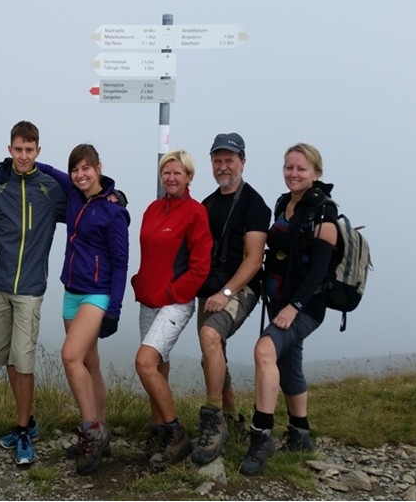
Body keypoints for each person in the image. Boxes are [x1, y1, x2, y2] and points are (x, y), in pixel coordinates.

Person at [0, 121, 67, 466]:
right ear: (9, 149)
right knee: (4, 358)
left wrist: (113, 193)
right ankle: (29, 420)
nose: (24, 155)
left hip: (29, 289)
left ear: (38, 151)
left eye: (30, 150)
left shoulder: (50, 188)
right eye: (18, 149)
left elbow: (86, 198)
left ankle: (24, 429)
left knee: (23, 361)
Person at [239, 143, 337, 476]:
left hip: (306, 306)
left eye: (301, 169)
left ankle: (261, 435)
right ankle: (300, 433)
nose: (293, 174)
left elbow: (318, 271)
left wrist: (294, 308)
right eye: (288, 167)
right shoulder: (285, 203)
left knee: (264, 351)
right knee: (288, 362)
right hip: (279, 300)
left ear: (316, 173)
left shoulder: (325, 213)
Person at [38, 144, 130, 476]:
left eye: (86, 168)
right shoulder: (74, 193)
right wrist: (32, 162)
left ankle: (91, 429)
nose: (80, 174)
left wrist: (115, 309)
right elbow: (54, 174)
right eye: (76, 168)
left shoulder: (113, 211)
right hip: (72, 292)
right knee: (89, 362)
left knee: (70, 356)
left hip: (98, 293)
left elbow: (120, 264)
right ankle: (100, 429)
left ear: (99, 168)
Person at [192, 133, 271, 465]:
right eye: (218, 160)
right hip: (210, 290)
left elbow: (254, 260)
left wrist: (225, 294)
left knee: (211, 336)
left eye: (230, 160)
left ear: (243, 162)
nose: (223, 166)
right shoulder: (207, 204)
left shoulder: (255, 204)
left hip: (241, 289)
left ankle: (213, 420)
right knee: (213, 353)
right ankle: (231, 417)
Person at [131, 150, 212, 472]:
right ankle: (160, 432)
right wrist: (140, 284)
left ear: (189, 177)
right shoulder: (152, 209)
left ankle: (176, 433)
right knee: (158, 368)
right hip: (148, 300)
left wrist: (173, 292)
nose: (172, 178)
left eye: (178, 173)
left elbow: (200, 266)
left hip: (175, 302)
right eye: (167, 173)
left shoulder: (195, 213)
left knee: (144, 362)